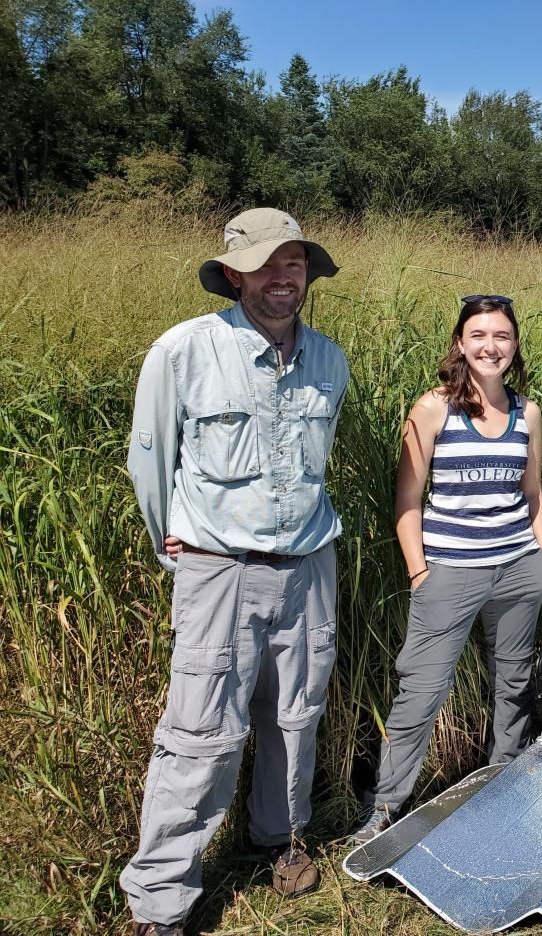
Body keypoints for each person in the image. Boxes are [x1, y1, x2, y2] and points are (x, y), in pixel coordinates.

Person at [121, 208, 350, 936]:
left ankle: (278, 840)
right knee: (200, 732)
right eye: (267, 264)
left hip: (310, 564)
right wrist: (177, 544)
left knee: (297, 713)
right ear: (233, 273)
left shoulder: (330, 360)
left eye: (295, 264)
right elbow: (150, 462)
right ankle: (162, 900)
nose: (283, 279)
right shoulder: (184, 350)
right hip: (219, 567)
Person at [352, 294, 542, 842]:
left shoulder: (526, 413)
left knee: (512, 686)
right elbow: (408, 502)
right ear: (460, 344)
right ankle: (384, 810)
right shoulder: (432, 408)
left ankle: (503, 783)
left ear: (514, 346)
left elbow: (532, 495)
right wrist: (421, 572)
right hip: (449, 571)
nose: (491, 347)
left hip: (519, 570)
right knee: (421, 689)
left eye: (502, 337)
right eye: (479, 336)